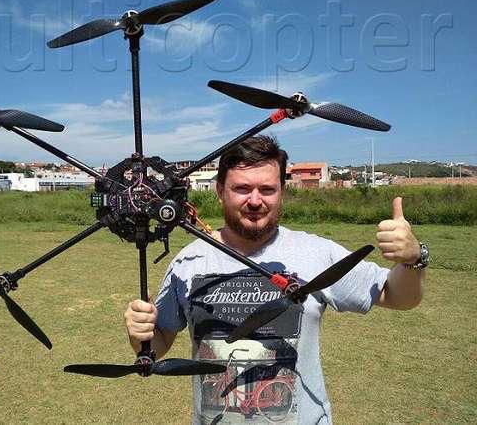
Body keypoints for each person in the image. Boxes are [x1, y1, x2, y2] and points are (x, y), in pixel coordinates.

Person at [124, 136, 426, 424]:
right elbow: (156, 346)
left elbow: (397, 296)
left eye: (267, 189)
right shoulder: (188, 262)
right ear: (219, 190)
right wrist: (140, 332)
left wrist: (413, 259)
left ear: (281, 190)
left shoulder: (315, 252)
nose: (255, 201)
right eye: (242, 188)